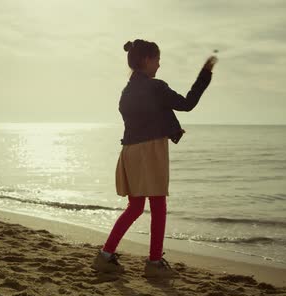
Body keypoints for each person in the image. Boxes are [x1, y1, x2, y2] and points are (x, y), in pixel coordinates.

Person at [91, 39, 217, 278]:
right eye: (157, 59)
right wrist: (205, 74)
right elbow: (187, 104)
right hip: (150, 151)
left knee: (135, 207)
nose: (159, 64)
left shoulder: (126, 92)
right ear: (146, 60)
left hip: (130, 151)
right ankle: (154, 263)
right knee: (158, 207)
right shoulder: (155, 87)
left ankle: (105, 256)